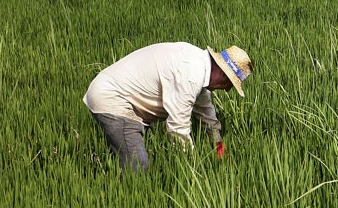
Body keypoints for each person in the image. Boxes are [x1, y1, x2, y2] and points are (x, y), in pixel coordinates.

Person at [83, 42, 251, 171]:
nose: (227, 90)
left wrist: (218, 144)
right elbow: (178, 129)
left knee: (126, 153)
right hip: (113, 98)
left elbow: (205, 111)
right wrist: (193, 169)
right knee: (137, 164)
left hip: (123, 96)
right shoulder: (191, 76)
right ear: (222, 74)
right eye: (229, 84)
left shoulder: (198, 64)